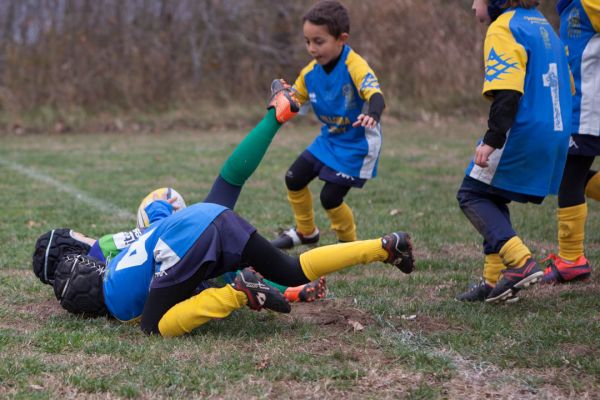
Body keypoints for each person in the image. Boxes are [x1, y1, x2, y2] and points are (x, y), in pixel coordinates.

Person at [46, 80, 415, 337]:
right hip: (200, 221)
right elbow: (166, 236)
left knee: (154, 326)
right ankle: (384, 246)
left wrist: (229, 292)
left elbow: (175, 294)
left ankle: (242, 291)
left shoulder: (117, 302)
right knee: (273, 247)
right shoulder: (112, 255)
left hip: (189, 238)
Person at [455, 0, 573, 303]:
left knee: (471, 194)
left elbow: (508, 90)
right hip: (557, 128)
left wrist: (492, 139)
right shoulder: (544, 25)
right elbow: (567, 85)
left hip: (523, 129)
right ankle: (493, 281)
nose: (472, 6)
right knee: (492, 195)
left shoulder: (504, 26)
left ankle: (520, 263)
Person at [271, 0, 386, 249]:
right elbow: (294, 101)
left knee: (330, 198)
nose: (312, 48)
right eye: (307, 41)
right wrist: (280, 100)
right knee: (294, 178)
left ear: (341, 39)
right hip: (329, 140)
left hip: (357, 145)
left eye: (319, 41)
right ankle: (306, 232)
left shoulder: (354, 64)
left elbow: (375, 95)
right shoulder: (310, 73)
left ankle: (347, 244)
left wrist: (373, 114)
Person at [543, 0, 600, 284]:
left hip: (587, 109)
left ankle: (571, 260)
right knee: (564, 174)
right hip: (577, 109)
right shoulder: (568, 7)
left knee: (568, 177)